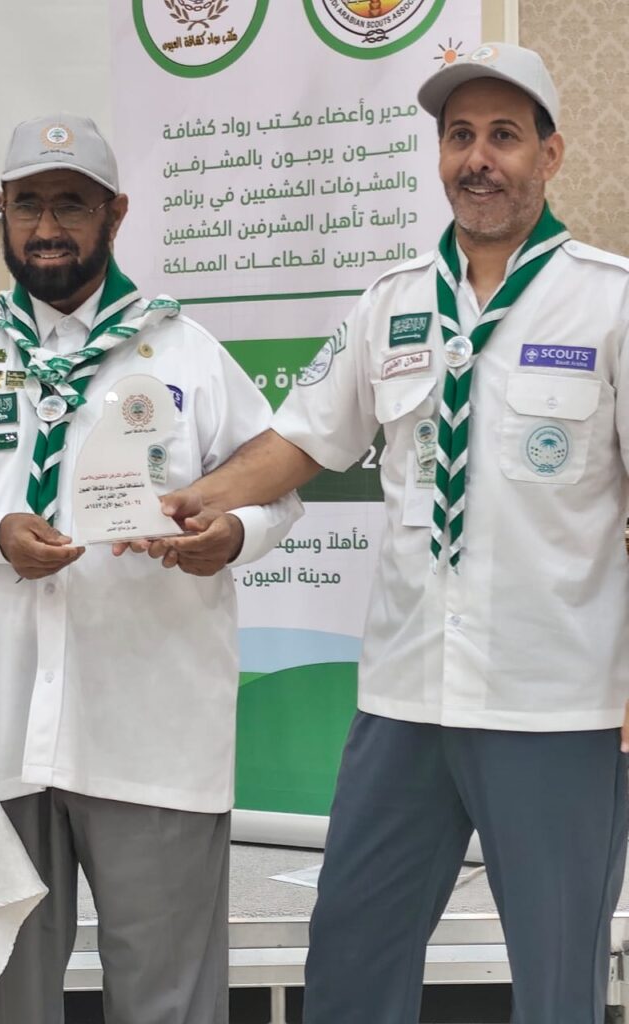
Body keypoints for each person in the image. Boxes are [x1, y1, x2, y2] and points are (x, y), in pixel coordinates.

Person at [138, 44, 629, 1024]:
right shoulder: (390, 302)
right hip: (406, 698)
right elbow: (300, 439)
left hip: (554, 702)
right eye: (459, 136)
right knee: (352, 955)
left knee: (557, 980)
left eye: (503, 136)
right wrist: (192, 501)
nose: (477, 159)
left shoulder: (610, 299)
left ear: (549, 154)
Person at [0, 114, 301, 1024]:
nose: (47, 226)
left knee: (169, 996)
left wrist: (231, 535)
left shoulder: (187, 353)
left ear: (115, 214)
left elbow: (277, 491)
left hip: (149, 728)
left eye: (71, 204)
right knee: (0, 995)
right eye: (29, 204)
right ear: (2, 210)